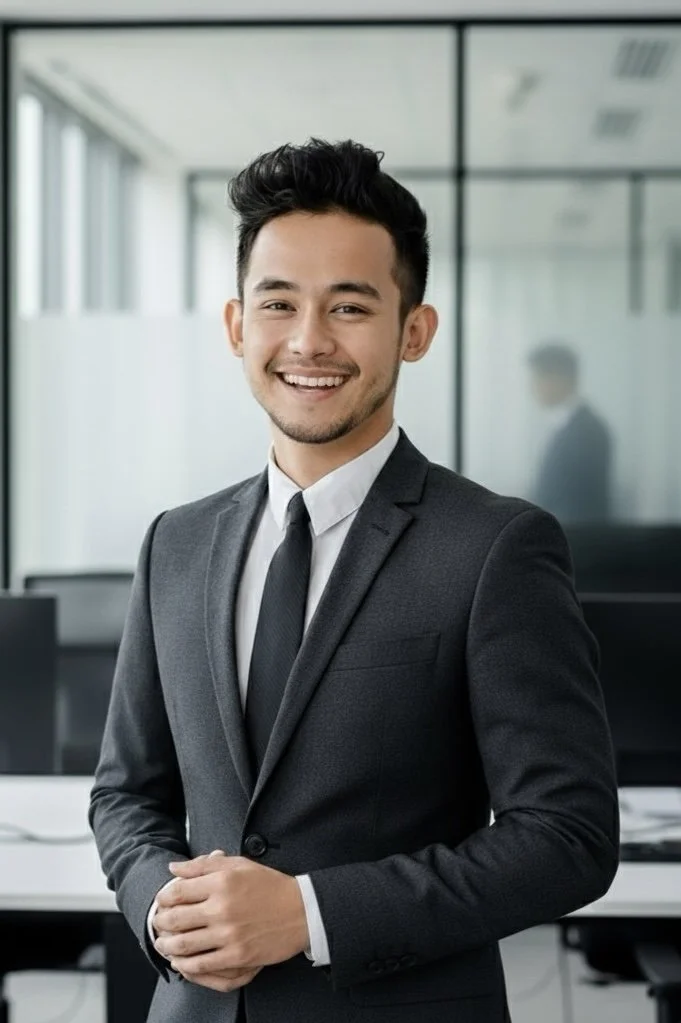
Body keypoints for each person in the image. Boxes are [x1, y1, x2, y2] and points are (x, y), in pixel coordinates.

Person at [89, 139, 619, 1023]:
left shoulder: (496, 548)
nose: (308, 340)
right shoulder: (175, 544)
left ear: (413, 330)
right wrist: (160, 904)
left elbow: (566, 835)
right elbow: (127, 792)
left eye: (349, 306)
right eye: (278, 303)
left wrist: (307, 913)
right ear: (235, 326)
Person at [528, 342, 613, 523]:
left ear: (559, 379)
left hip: (576, 541)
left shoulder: (586, 431)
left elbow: (578, 504)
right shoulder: (570, 426)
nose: (533, 389)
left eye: (536, 379)